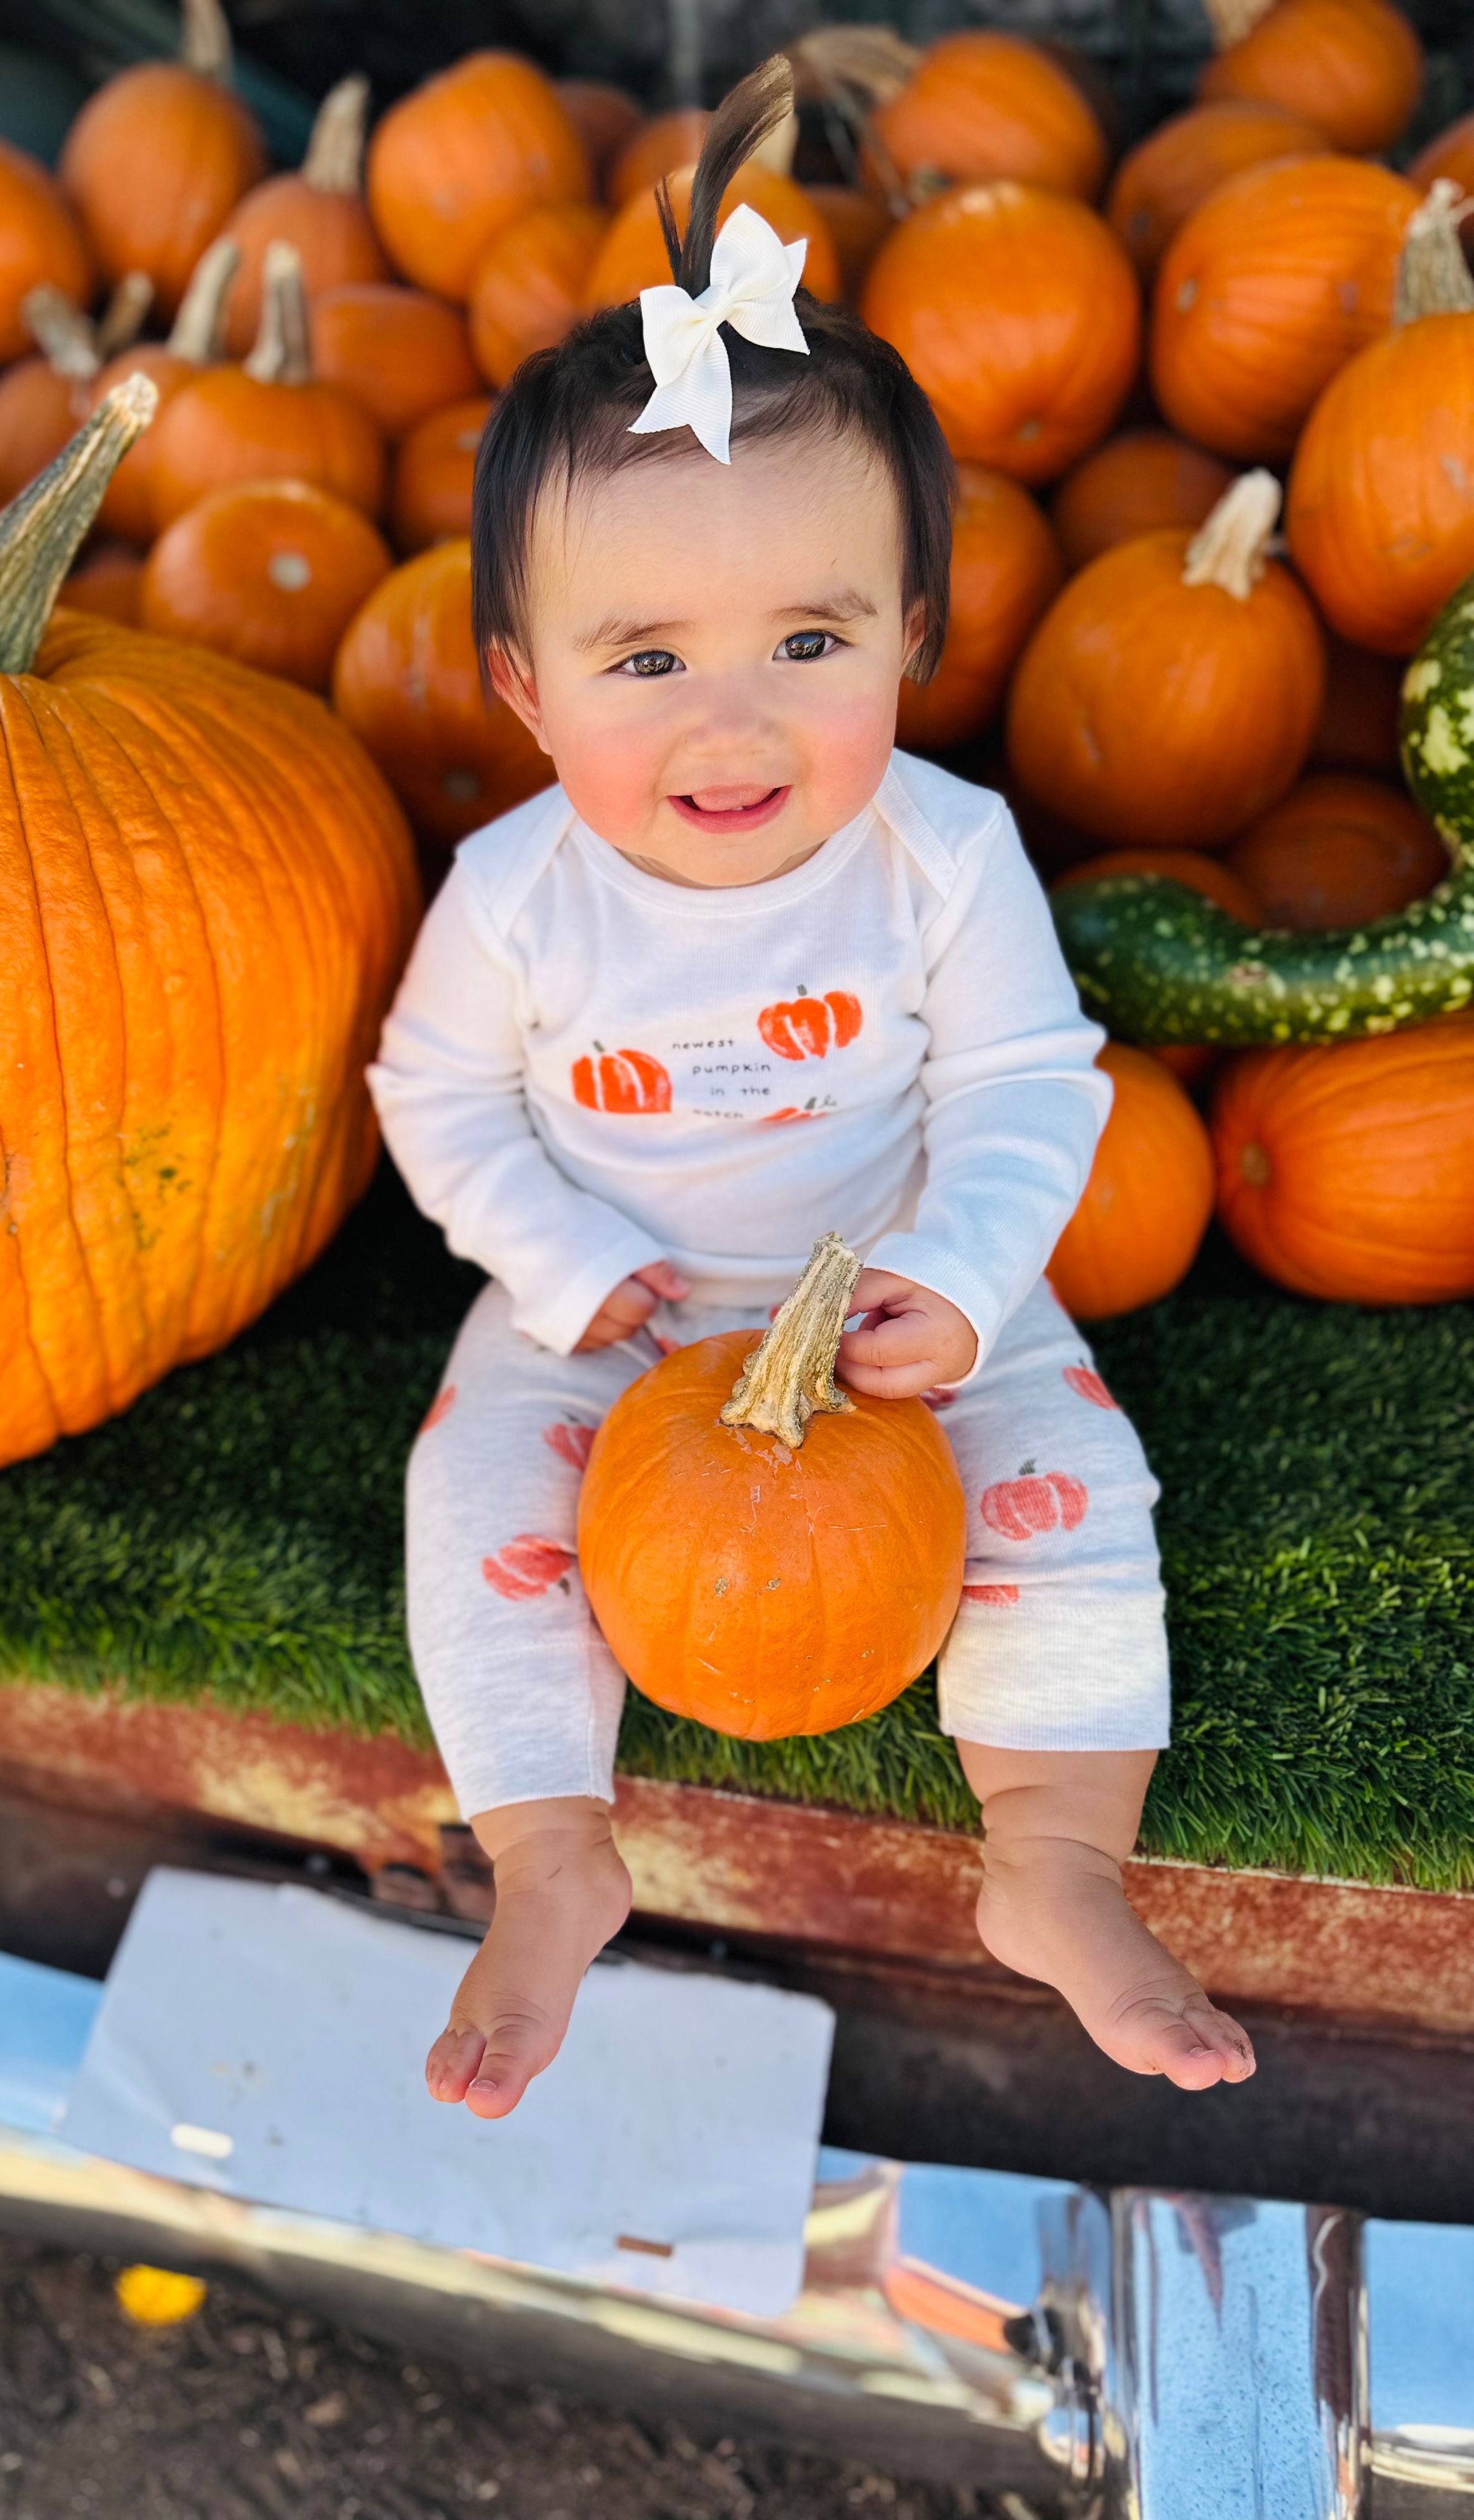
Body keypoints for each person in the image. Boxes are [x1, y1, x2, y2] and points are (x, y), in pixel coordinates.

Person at [368, 56, 1255, 2121]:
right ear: (523, 678)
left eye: (810, 641)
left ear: (914, 640)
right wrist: (565, 1261)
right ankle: (547, 1847)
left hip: (894, 1296)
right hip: (629, 1308)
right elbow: (438, 1103)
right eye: (646, 660)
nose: (732, 720)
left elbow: (1041, 1077)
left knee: (1068, 1495)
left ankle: (1053, 1854)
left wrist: (962, 1273)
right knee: (476, 1493)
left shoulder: (938, 854)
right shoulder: (514, 900)